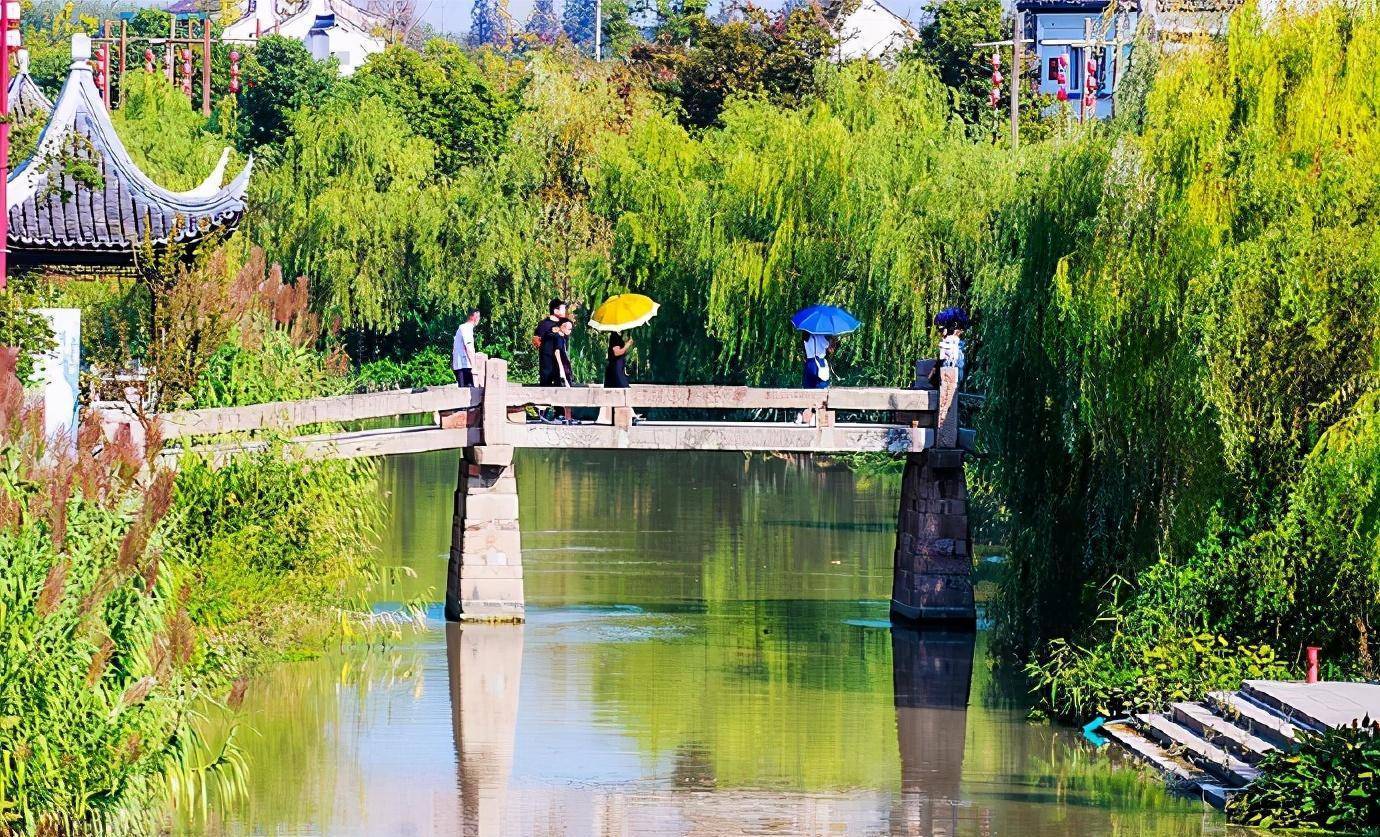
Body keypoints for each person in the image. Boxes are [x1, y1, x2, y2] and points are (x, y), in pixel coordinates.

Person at [533, 299, 567, 422]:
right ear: (555, 310)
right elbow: (536, 339)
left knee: (560, 385)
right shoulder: (544, 324)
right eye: (563, 308)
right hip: (546, 360)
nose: (565, 311)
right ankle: (544, 413)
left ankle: (560, 414)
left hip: (560, 361)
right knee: (546, 385)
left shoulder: (564, 324)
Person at [799, 331, 835, 424]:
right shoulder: (820, 335)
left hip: (809, 364)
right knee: (821, 393)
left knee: (808, 393)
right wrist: (832, 339)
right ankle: (821, 420)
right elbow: (830, 349)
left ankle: (805, 419)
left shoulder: (805, 336)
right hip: (819, 363)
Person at [554, 318, 579, 425]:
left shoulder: (562, 338)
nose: (570, 331)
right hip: (563, 368)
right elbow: (557, 352)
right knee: (567, 391)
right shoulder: (559, 338)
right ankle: (567, 417)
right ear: (563, 327)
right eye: (569, 329)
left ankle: (568, 416)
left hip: (565, 367)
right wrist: (561, 368)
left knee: (567, 391)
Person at [452, 309, 480, 388]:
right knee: (466, 391)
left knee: (468, 390)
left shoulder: (466, 328)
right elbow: (469, 347)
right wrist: (474, 367)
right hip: (463, 365)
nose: (478, 319)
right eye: (477, 316)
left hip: (463, 365)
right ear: (473, 317)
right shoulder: (466, 328)